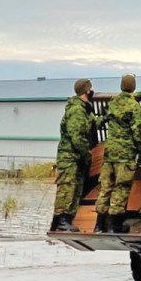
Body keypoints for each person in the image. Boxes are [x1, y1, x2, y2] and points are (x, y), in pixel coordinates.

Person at [94, 74, 141, 233]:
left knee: (105, 187)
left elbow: (105, 117)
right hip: (125, 154)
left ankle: (99, 225)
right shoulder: (134, 106)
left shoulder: (113, 103)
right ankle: (115, 226)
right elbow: (138, 131)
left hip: (110, 152)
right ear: (134, 87)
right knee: (121, 188)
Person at [51, 78, 100, 232]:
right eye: (90, 89)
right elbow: (76, 136)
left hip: (76, 157)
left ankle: (66, 220)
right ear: (87, 91)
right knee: (67, 188)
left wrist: (107, 118)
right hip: (70, 157)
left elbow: (92, 124)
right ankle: (61, 221)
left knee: (75, 189)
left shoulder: (84, 109)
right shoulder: (77, 110)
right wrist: (87, 154)